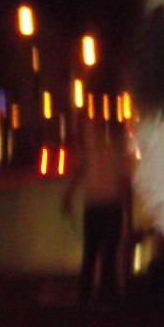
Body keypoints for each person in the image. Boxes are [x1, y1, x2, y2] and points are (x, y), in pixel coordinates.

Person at [62, 122, 132, 302]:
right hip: (111, 205)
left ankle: (85, 294)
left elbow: (77, 173)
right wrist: (128, 210)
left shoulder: (91, 150)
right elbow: (124, 182)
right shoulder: (118, 151)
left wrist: (67, 197)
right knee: (109, 253)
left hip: (93, 205)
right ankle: (107, 293)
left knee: (90, 252)